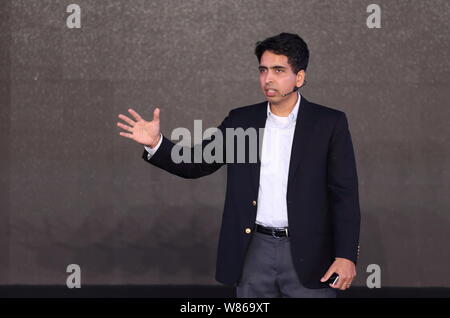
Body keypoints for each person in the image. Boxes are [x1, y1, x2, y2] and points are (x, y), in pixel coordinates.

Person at [117, 33, 361, 298]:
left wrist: (346, 255)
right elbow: (197, 163)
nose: (268, 79)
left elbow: (344, 195)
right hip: (253, 249)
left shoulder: (329, 123)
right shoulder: (242, 120)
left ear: (299, 77)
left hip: (311, 253)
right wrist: (156, 143)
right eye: (263, 70)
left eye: (279, 71)